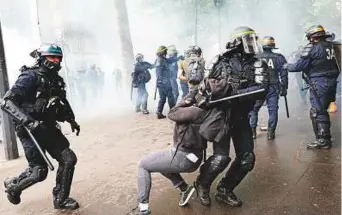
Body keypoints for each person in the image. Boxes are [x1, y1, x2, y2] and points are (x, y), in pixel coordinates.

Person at [192, 26, 269, 207]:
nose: (252, 44)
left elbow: (262, 89)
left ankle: (225, 189)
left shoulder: (257, 63)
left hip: (242, 117)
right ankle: (202, 184)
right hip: (222, 116)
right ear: (237, 42)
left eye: (252, 40)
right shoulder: (220, 61)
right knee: (220, 159)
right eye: (247, 40)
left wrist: (236, 91)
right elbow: (205, 87)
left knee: (247, 158)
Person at [0, 43, 81, 210]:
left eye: (58, 58)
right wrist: (30, 122)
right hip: (30, 131)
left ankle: (61, 199)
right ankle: (14, 187)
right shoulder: (29, 76)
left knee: (68, 159)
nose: (56, 61)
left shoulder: (56, 80)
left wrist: (71, 120)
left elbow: (61, 103)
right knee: (39, 172)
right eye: (52, 57)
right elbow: (7, 102)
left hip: (49, 128)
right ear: (42, 59)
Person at [135, 104, 226, 215]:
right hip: (195, 157)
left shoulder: (193, 111)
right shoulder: (209, 111)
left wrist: (186, 100)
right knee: (160, 162)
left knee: (143, 165)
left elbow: (172, 113)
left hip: (183, 158)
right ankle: (184, 189)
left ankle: (143, 209)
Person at [284, 25, 340, 149]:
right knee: (322, 110)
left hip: (319, 82)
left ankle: (323, 141)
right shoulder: (333, 46)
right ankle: (325, 137)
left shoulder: (313, 48)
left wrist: (287, 66)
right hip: (332, 82)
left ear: (311, 37)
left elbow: (299, 66)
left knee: (318, 111)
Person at [249, 36, 288, 140]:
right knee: (273, 110)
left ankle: (252, 132)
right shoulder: (279, 57)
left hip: (258, 87)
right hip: (273, 87)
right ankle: (271, 133)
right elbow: (284, 74)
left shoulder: (255, 57)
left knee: (254, 109)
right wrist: (284, 88)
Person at [155, 46, 175, 119]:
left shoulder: (161, 59)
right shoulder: (161, 60)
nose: (166, 52)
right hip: (164, 82)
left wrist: (177, 58)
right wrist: (164, 81)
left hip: (161, 82)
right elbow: (159, 72)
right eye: (165, 51)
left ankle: (159, 112)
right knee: (170, 97)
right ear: (163, 52)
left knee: (162, 98)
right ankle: (173, 113)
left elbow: (169, 60)